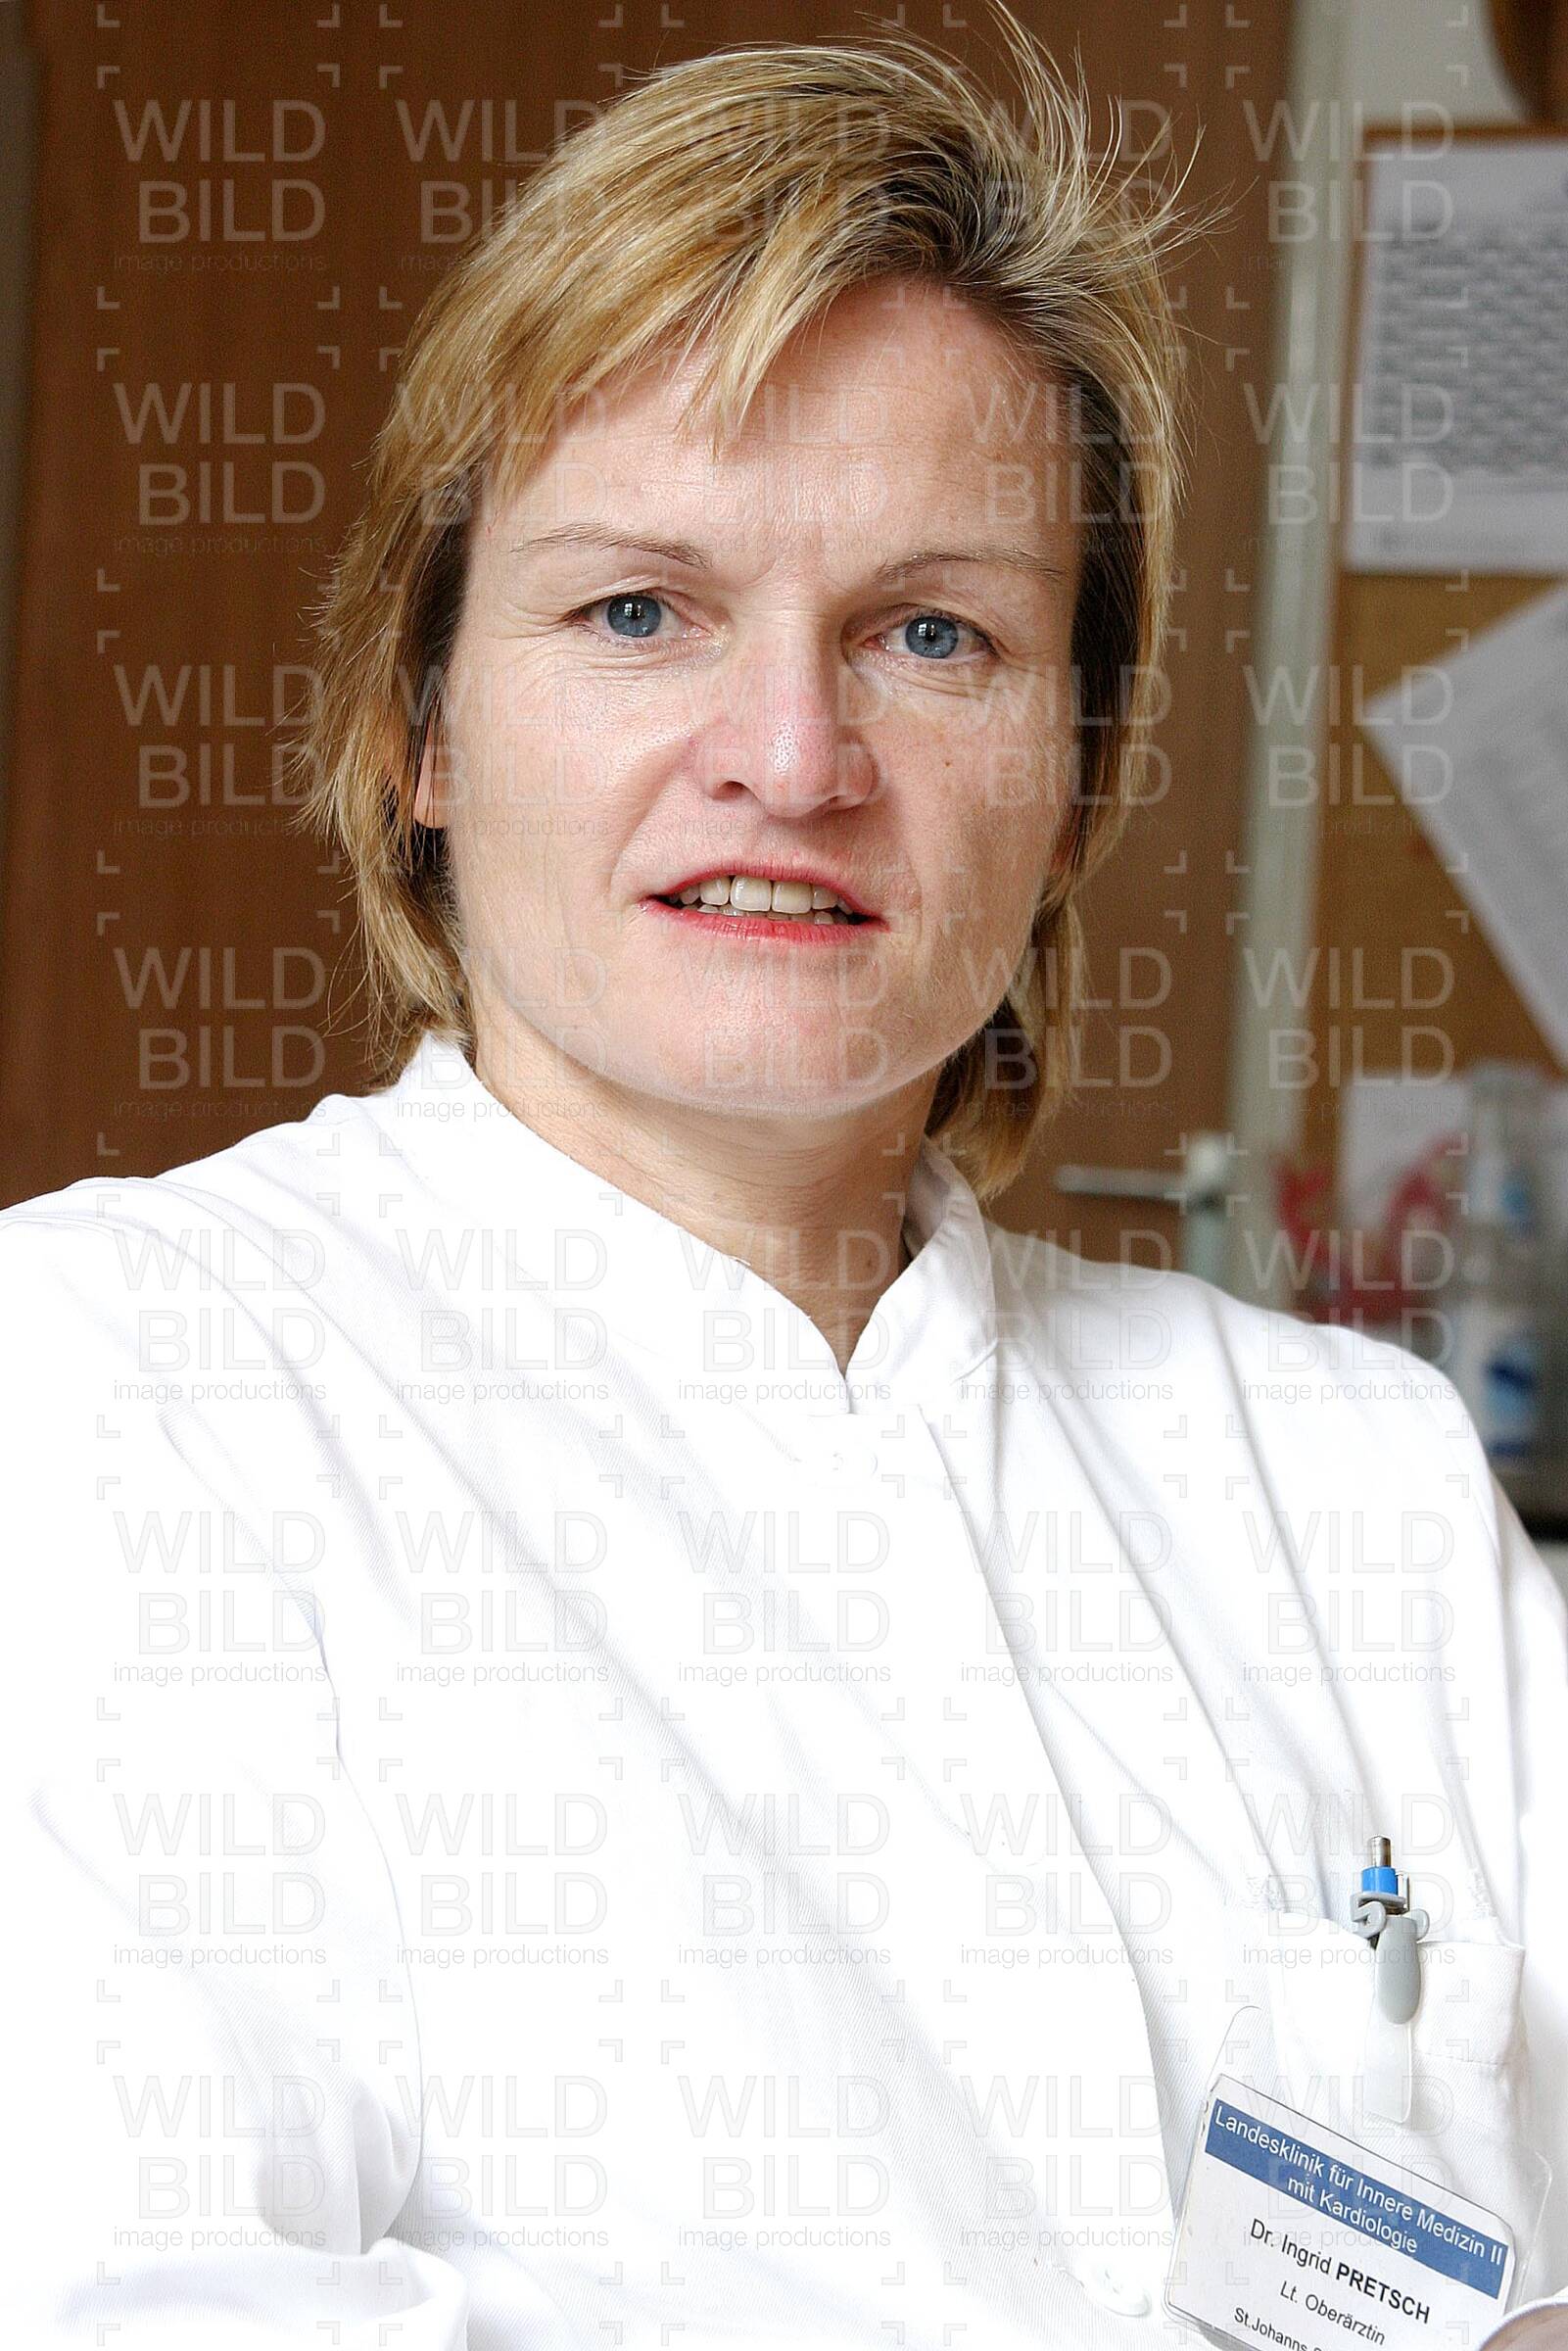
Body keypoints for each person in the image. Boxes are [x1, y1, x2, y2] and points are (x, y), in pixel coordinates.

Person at [5, 8, 1566, 2347]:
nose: (792, 755)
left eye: (934, 634)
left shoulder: (1360, 1485)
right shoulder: (115, 1390)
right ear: (422, 724)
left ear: (1076, 774)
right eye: (639, 608)